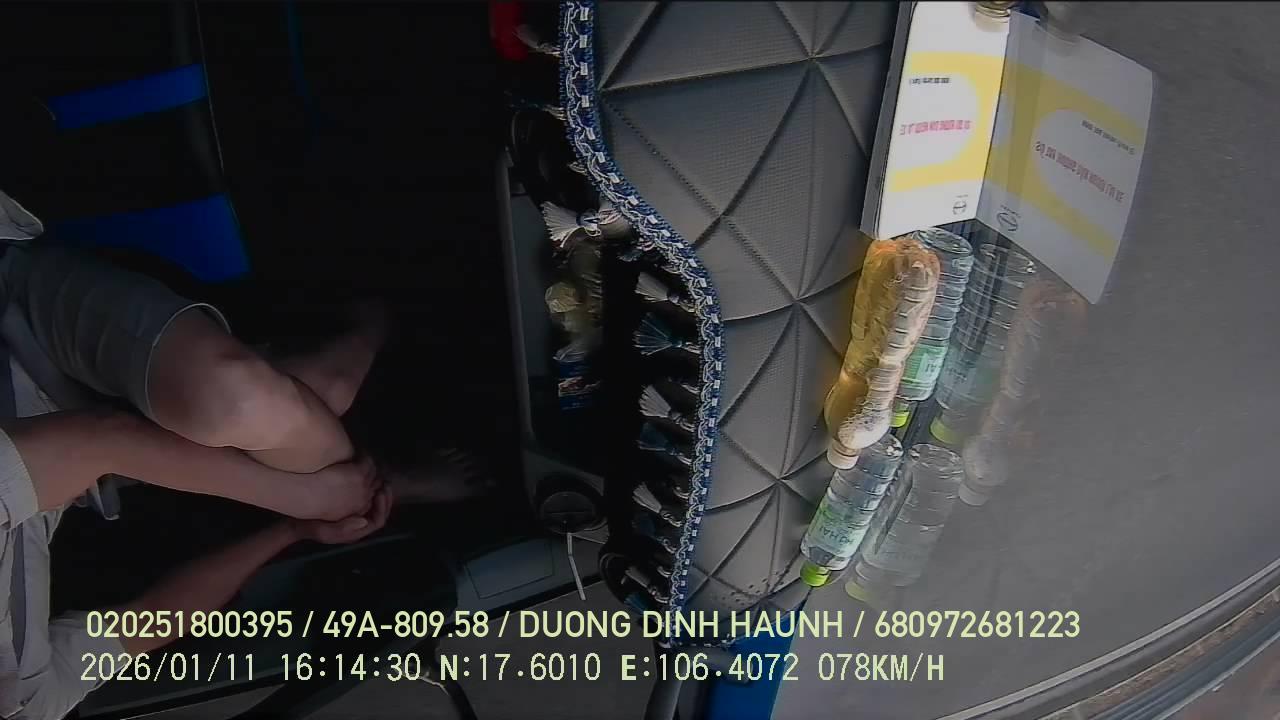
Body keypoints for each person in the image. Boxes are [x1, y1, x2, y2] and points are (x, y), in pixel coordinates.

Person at [0, 189, 483, 719]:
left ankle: (378, 329)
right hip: (66, 463)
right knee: (317, 400)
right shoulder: (24, 707)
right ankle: (372, 420)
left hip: (17, 329)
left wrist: (300, 497)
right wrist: (291, 529)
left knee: (235, 399)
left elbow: (102, 438)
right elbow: (143, 624)